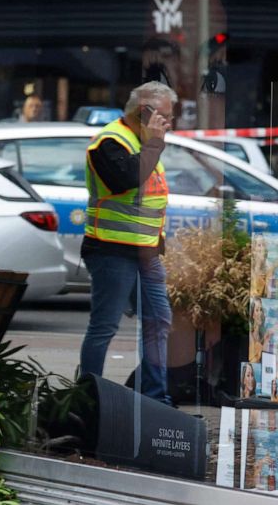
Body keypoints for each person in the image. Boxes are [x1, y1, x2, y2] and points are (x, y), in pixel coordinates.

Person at [78, 81, 175, 405]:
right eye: (163, 116)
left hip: (145, 253)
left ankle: (153, 398)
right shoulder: (110, 141)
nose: (168, 123)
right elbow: (123, 181)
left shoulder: (144, 141)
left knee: (159, 321)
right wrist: (154, 145)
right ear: (143, 110)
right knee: (104, 326)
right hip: (111, 250)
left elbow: (149, 200)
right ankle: (87, 394)